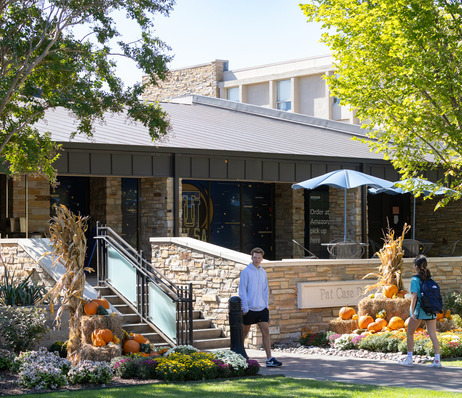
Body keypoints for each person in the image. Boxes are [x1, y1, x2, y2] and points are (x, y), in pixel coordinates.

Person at [238, 247, 282, 367]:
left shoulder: (263, 272)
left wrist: (266, 306)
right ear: (251, 258)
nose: (257, 259)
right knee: (243, 333)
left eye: (259, 257)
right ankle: (239, 354)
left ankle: (269, 359)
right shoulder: (246, 272)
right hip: (249, 309)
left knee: (266, 331)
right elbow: (242, 291)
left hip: (262, 309)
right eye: (255, 257)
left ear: (262, 259)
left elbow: (265, 290)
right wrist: (245, 308)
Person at [398, 255, 442, 368]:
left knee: (409, 333)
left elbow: (414, 297)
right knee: (432, 334)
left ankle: (409, 359)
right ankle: (437, 360)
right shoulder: (430, 278)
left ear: (416, 267)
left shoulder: (415, 279)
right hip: (431, 311)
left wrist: (412, 312)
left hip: (420, 310)